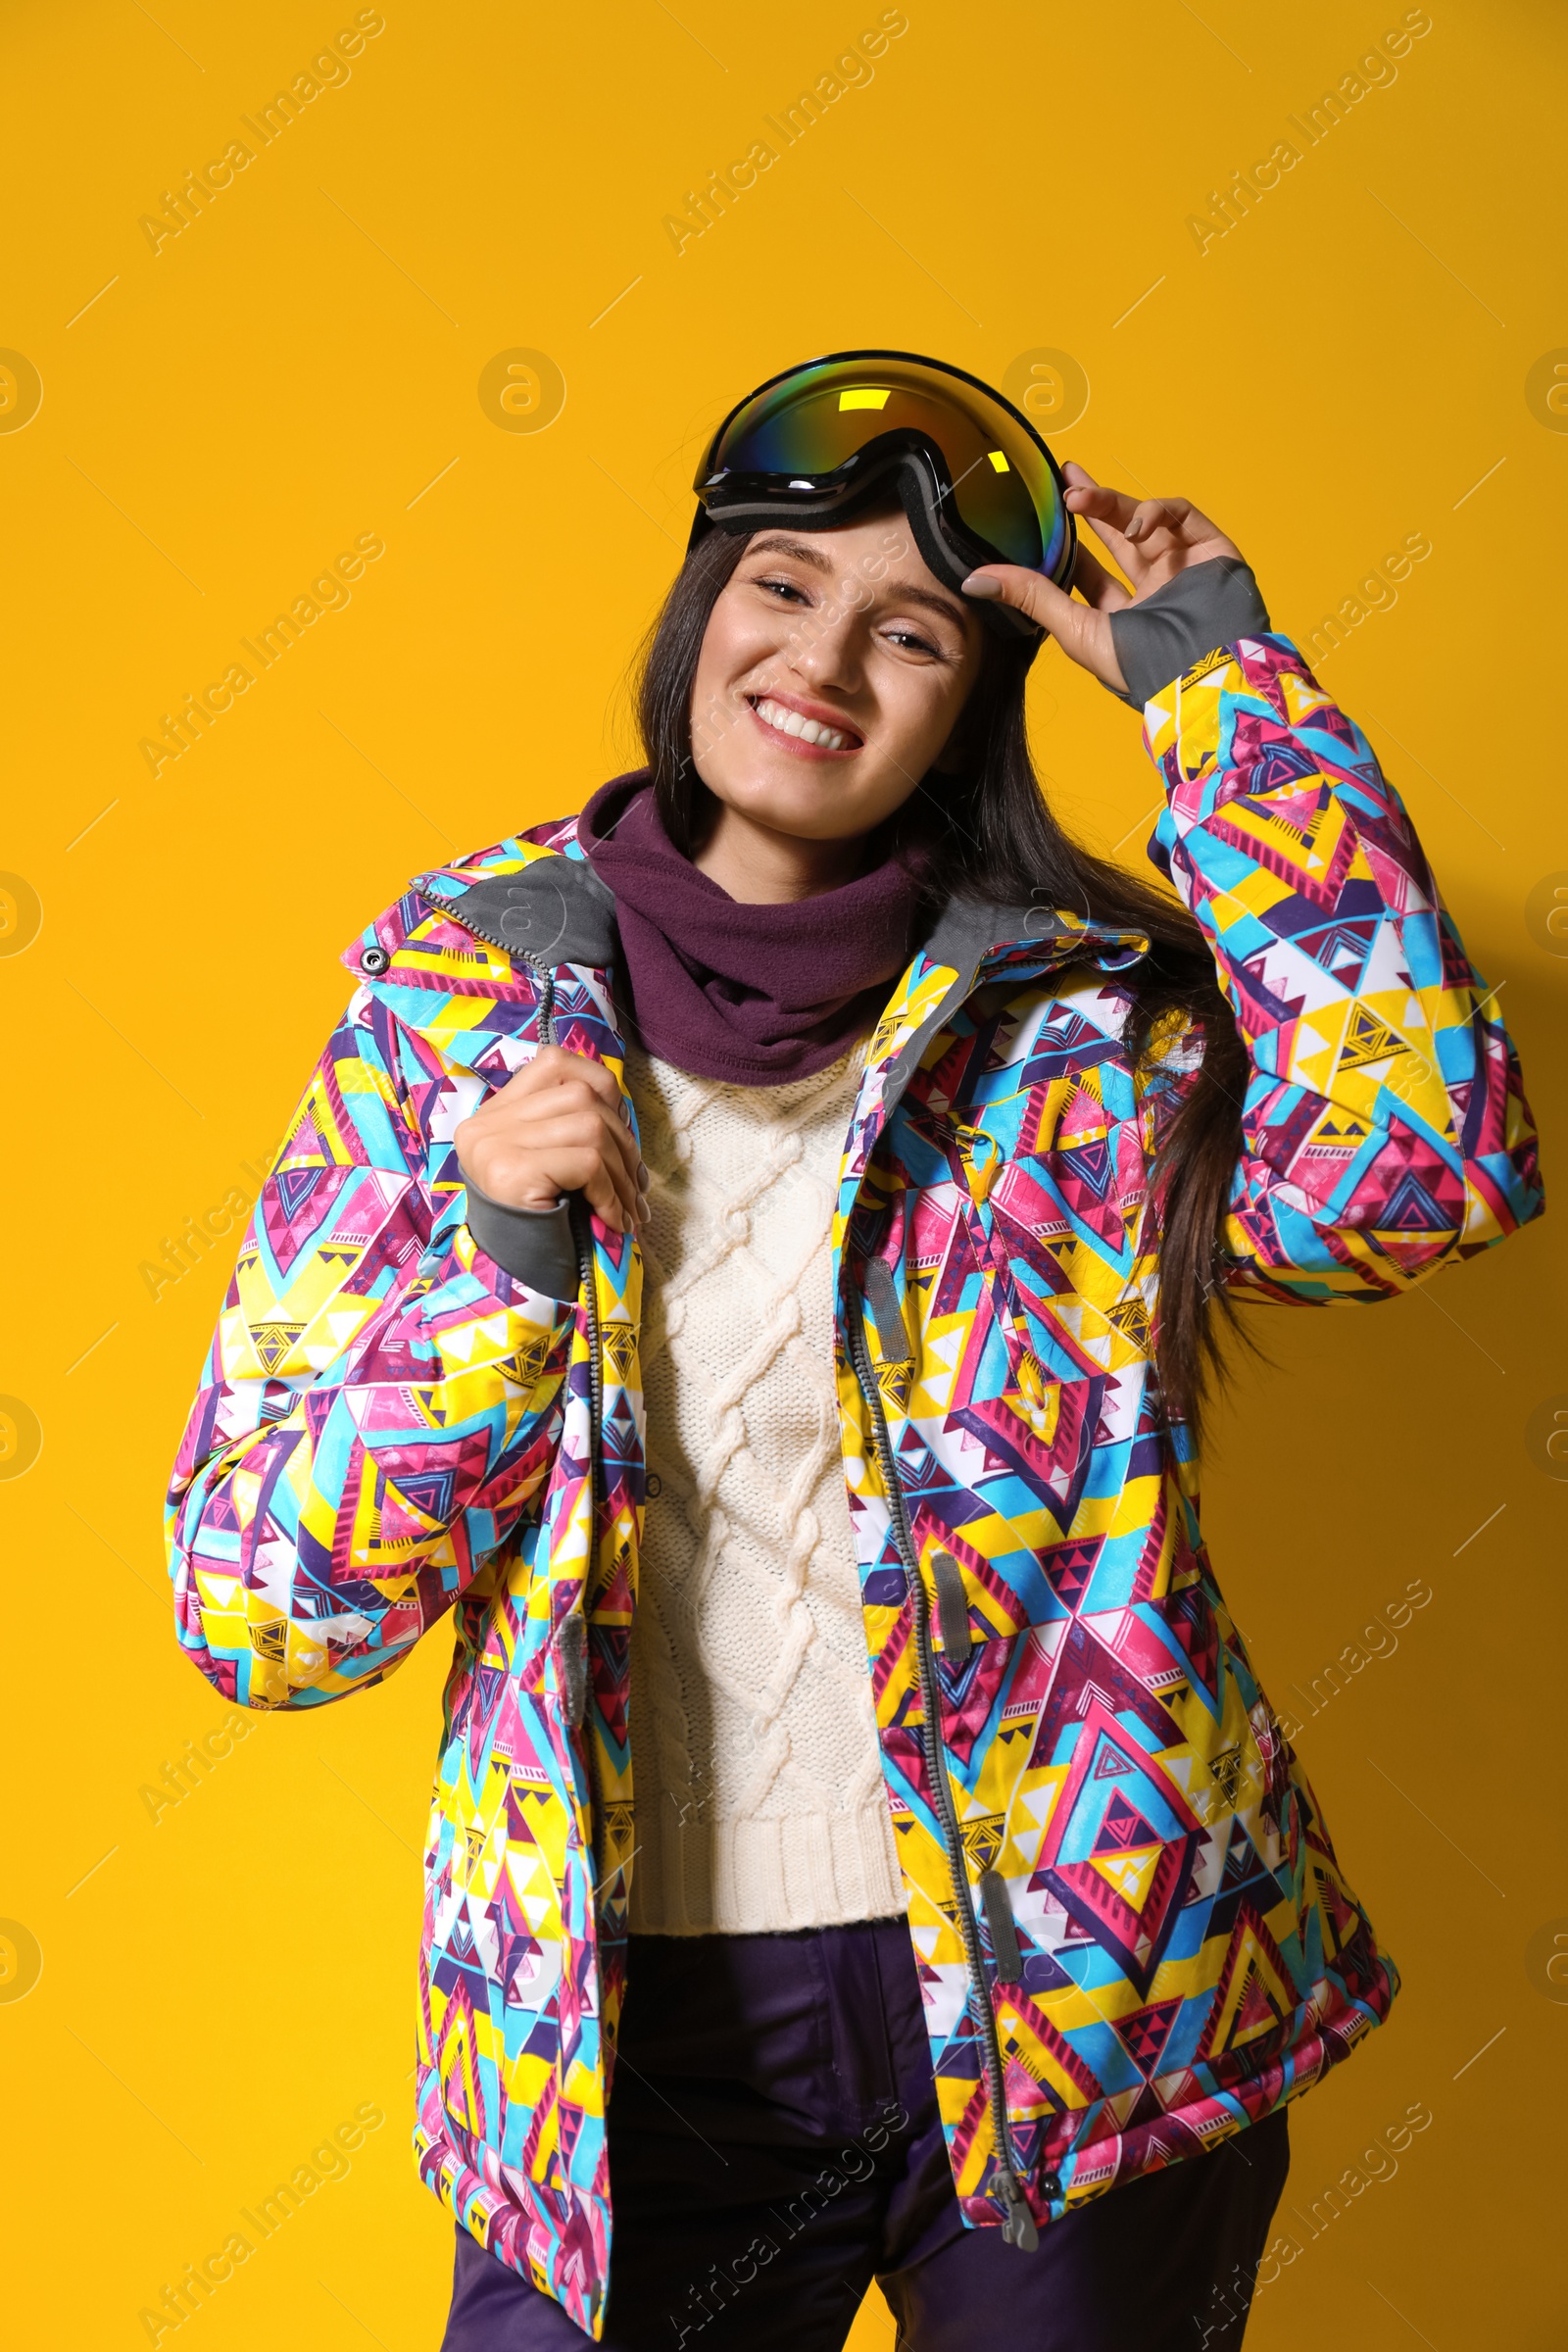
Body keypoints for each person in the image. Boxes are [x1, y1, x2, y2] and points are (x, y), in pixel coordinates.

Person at [165, 353, 1542, 2350]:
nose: (822, 660)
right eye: (781, 585)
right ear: (699, 611)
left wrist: (1223, 701)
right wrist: (490, 1269)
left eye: (908, 633)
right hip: (631, 2040)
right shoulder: (453, 998)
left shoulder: (1081, 1027)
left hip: (1083, 1998)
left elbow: (1420, 1174)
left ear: (967, 711)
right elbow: (259, 1609)